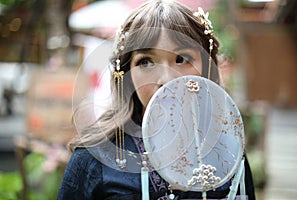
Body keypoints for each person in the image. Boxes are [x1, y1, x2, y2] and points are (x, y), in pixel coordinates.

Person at [58, 0, 255, 199]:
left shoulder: (228, 151)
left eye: (181, 59)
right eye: (146, 62)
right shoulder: (94, 158)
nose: (167, 79)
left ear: (206, 67)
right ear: (126, 75)